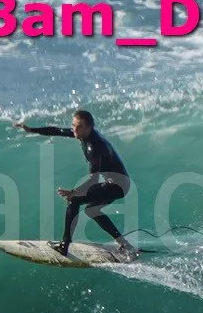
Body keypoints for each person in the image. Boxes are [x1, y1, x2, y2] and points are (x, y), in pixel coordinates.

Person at [14, 108, 137, 259]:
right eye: (73, 125)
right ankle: (124, 244)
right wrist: (31, 129)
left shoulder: (95, 147)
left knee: (74, 201)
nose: (74, 129)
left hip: (118, 186)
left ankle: (65, 245)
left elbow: (93, 179)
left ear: (88, 128)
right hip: (113, 183)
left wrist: (73, 192)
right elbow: (57, 130)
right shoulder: (82, 134)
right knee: (92, 210)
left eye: (78, 127)